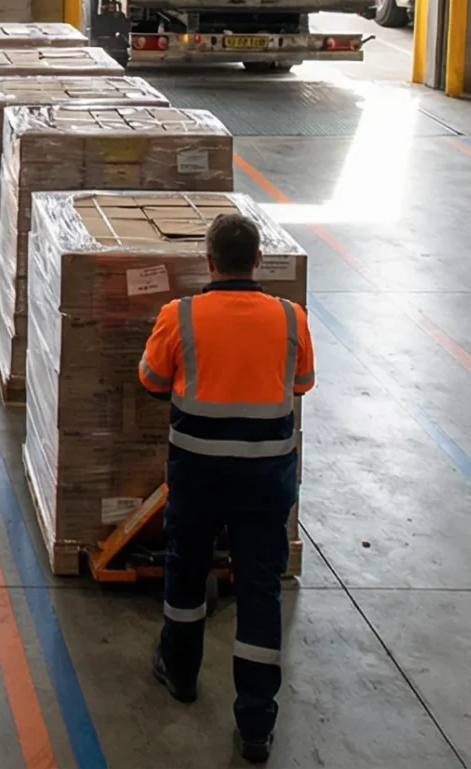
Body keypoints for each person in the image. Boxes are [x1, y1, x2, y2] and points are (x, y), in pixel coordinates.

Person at [138, 212, 314, 764]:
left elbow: (151, 381)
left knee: (186, 569)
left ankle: (181, 671)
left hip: (198, 474)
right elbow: (302, 383)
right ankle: (257, 723)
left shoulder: (180, 315)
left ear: (208, 262)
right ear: (258, 260)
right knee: (261, 588)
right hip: (266, 479)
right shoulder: (291, 317)